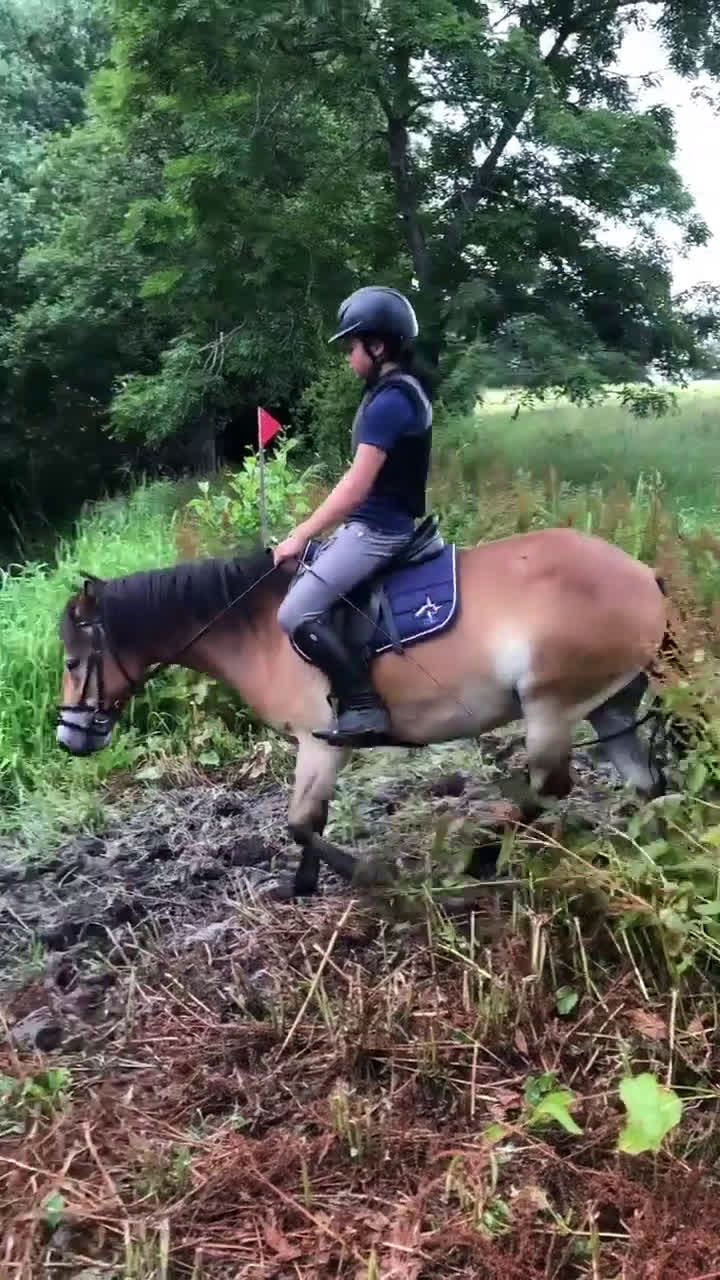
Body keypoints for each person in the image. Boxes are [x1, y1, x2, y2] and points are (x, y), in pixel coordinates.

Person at [274, 285, 433, 746]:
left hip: (379, 531)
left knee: (295, 611)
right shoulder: (396, 393)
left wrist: (298, 535)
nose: (348, 356)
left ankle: (364, 705)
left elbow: (355, 487)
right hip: (375, 522)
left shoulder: (390, 402)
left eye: (351, 346)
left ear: (377, 346)